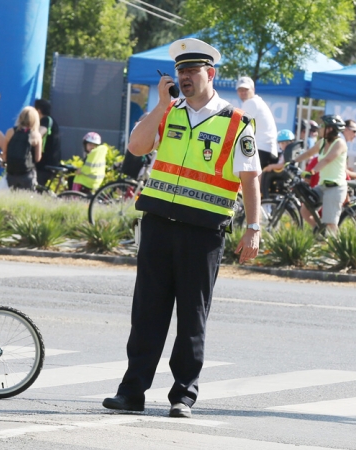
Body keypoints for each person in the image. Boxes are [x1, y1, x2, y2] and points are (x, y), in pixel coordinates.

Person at [102, 38, 261, 419]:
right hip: (159, 224)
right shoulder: (169, 111)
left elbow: (251, 178)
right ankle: (131, 393)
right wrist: (159, 105)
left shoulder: (236, 122)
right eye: (180, 72)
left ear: (211, 73)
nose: (184, 77)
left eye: (192, 71)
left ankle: (183, 395)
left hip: (203, 232)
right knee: (146, 314)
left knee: (192, 317)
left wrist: (253, 227)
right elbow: (137, 148)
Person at [293, 114, 348, 234]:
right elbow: (308, 153)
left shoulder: (340, 143)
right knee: (305, 210)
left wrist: (311, 172)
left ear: (331, 129)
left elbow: (327, 160)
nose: (320, 128)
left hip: (335, 188)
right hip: (323, 185)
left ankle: (335, 248)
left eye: (323, 126)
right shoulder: (322, 142)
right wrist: (292, 162)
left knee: (330, 222)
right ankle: (320, 232)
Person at [236, 76, 278, 170]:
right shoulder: (257, 102)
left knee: (247, 182)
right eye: (240, 89)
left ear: (253, 89)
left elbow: (237, 126)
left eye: (246, 89)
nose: (243, 92)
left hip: (261, 150)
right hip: (266, 150)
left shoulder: (251, 102)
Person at [3, 106, 42, 190]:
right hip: (27, 173)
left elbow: (4, 152)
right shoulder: (36, 135)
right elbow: (37, 158)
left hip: (11, 172)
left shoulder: (10, 132)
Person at [34, 99, 61, 186]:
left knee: (35, 188)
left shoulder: (46, 120)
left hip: (45, 164)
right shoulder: (52, 121)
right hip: (50, 161)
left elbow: (38, 134)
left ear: (38, 111)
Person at [262, 129, 295, 196]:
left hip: (283, 172)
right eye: (281, 143)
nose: (282, 145)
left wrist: (271, 166)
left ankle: (265, 195)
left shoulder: (287, 152)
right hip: (284, 171)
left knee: (265, 174)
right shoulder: (289, 151)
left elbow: (282, 165)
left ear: (291, 142)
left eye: (284, 143)